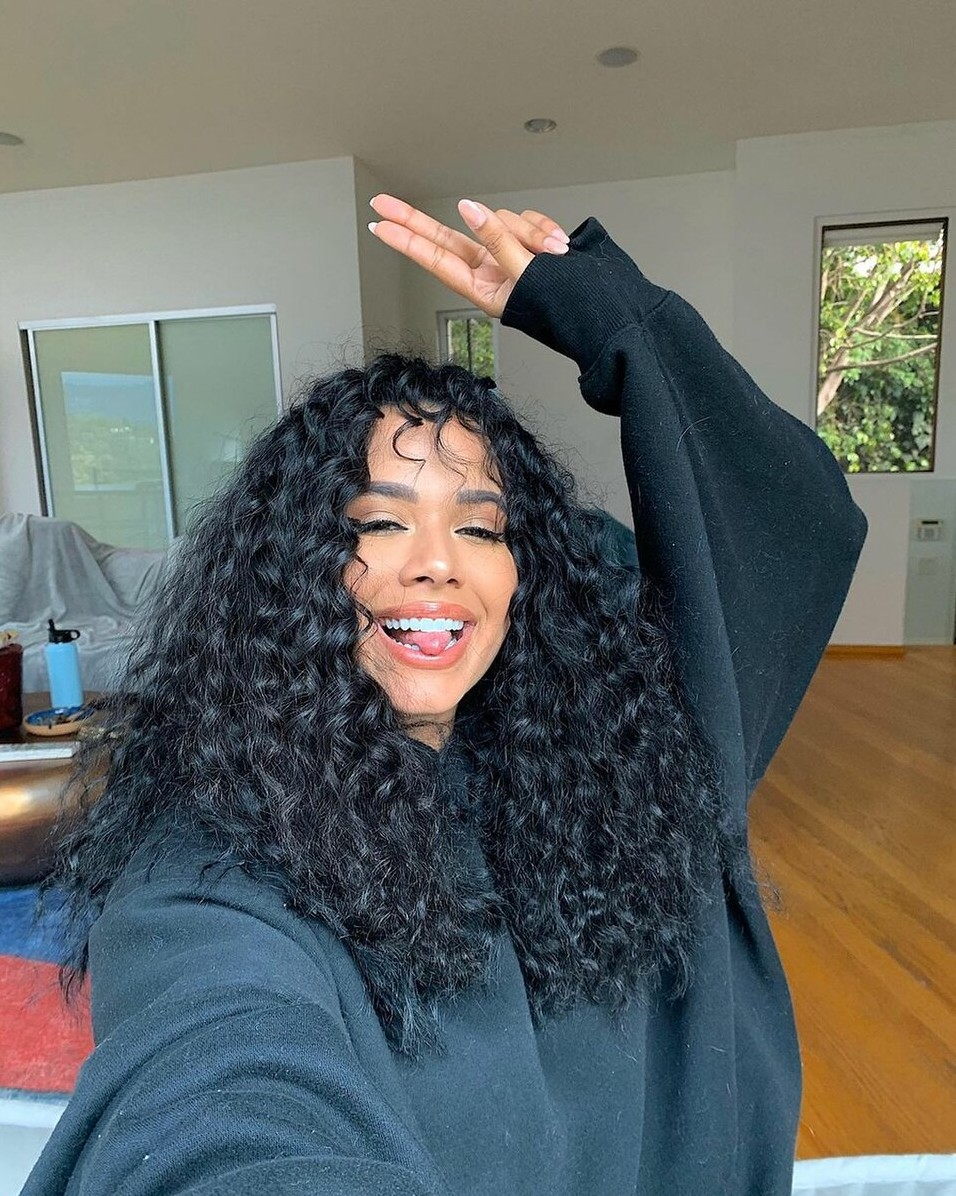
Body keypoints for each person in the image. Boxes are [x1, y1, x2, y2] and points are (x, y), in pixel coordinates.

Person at [24, 197, 867, 1196]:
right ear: (292, 571)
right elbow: (212, 1086)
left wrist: (614, 318)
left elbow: (792, 527)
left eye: (479, 527)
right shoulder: (215, 861)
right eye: (378, 523)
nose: (437, 564)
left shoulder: (633, 762)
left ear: (525, 570)